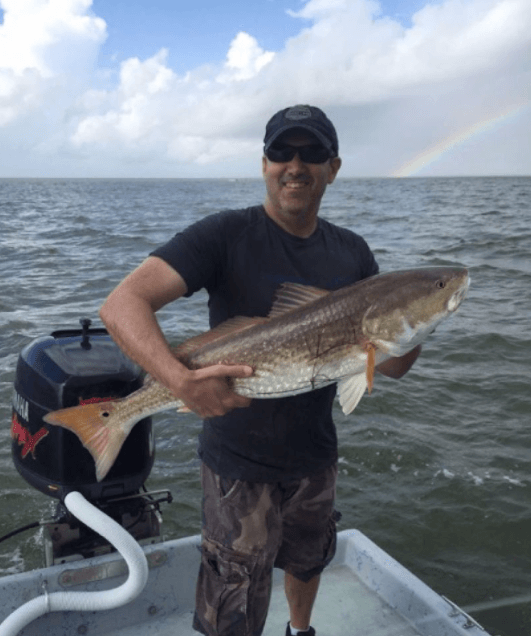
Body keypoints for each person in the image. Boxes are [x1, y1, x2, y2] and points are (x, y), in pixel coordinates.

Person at [99, 105, 421, 636]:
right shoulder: (224, 234)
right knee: (233, 594)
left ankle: (300, 630)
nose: (295, 165)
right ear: (264, 163)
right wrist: (179, 383)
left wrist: (419, 324)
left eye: (312, 153)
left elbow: (392, 367)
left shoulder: (353, 252)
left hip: (315, 455)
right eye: (282, 152)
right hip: (237, 463)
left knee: (308, 558)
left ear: (333, 167)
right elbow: (122, 304)